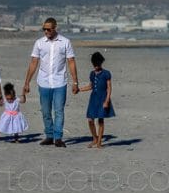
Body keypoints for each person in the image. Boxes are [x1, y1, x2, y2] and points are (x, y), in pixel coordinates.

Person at [22, 17, 78, 147]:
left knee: (59, 111)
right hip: (44, 82)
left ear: (55, 28)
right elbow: (33, 63)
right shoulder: (39, 43)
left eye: (48, 29)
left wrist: (75, 82)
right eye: (44, 29)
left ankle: (58, 137)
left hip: (60, 82)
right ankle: (49, 135)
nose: (46, 31)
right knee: (46, 111)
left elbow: (71, 62)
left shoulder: (65, 42)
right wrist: (27, 82)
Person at [76, 51, 115, 148]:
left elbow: (109, 88)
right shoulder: (92, 74)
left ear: (101, 63)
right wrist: (79, 89)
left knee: (100, 120)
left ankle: (99, 143)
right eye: (94, 64)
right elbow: (91, 86)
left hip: (103, 98)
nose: (95, 66)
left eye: (97, 64)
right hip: (93, 98)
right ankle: (95, 138)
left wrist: (107, 101)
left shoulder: (106, 73)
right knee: (90, 119)